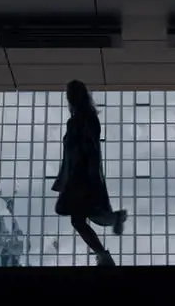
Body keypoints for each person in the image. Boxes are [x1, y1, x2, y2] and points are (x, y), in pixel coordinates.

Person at [52, 80, 128, 266]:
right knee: (82, 215)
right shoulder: (80, 119)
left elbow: (89, 148)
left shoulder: (85, 119)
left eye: (69, 95)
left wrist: (91, 173)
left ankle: (104, 252)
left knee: (78, 218)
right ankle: (107, 242)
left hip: (81, 175)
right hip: (79, 174)